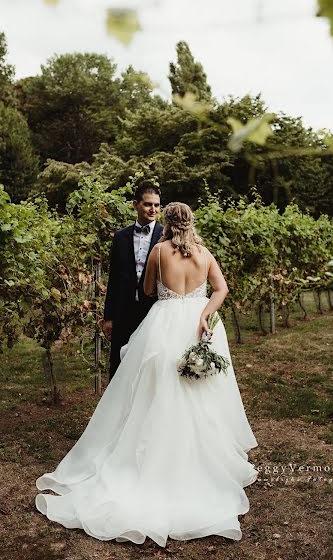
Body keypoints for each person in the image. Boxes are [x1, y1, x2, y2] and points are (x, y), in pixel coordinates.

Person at [35, 202, 259, 548]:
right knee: (200, 392)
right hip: (196, 324)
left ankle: (154, 446)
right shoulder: (203, 253)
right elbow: (222, 289)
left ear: (167, 223)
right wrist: (203, 315)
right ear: (191, 222)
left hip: (164, 324)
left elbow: (150, 290)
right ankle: (198, 458)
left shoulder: (158, 251)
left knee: (155, 388)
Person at [103, 182, 163, 381]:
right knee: (118, 365)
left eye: (157, 205)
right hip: (123, 310)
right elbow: (114, 279)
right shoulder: (120, 236)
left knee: (150, 365)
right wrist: (109, 317)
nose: (153, 209)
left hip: (153, 311)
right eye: (148, 205)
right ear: (135, 204)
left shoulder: (166, 237)